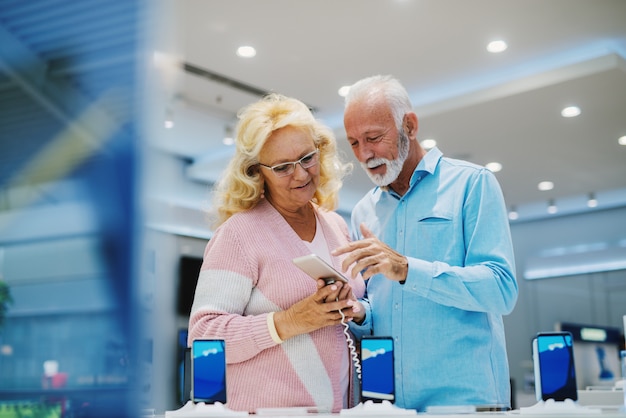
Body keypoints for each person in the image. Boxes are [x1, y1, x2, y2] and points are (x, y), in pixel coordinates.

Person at [334, 75, 518, 411]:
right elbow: (383, 313)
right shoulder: (364, 212)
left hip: (465, 404)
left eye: (374, 138)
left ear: (410, 125)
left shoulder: (472, 184)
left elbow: (501, 289)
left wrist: (406, 268)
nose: (365, 154)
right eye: (354, 143)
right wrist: (358, 314)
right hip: (390, 405)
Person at [187, 93, 366, 413]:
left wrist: (354, 308)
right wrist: (288, 322)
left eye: (306, 158)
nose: (300, 174)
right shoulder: (239, 234)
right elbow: (203, 336)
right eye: (282, 167)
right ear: (257, 172)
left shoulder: (336, 225)